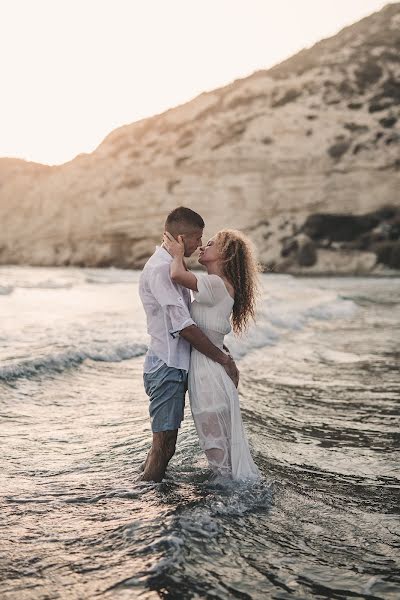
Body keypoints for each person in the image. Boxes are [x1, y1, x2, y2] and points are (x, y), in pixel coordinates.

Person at [138, 207, 239, 482]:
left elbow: (205, 319)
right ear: (181, 238)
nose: (199, 245)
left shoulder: (174, 266)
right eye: (197, 238)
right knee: (165, 443)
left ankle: (145, 487)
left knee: (164, 442)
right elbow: (182, 326)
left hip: (178, 366)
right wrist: (222, 358)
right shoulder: (162, 269)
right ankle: (143, 500)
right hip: (167, 366)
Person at [162, 228, 261, 481]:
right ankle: (229, 496)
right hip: (210, 373)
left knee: (216, 447)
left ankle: (227, 506)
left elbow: (176, 274)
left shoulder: (216, 285)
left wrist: (177, 252)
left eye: (210, 244)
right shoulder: (218, 286)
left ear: (225, 255)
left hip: (209, 377)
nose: (203, 247)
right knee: (217, 445)